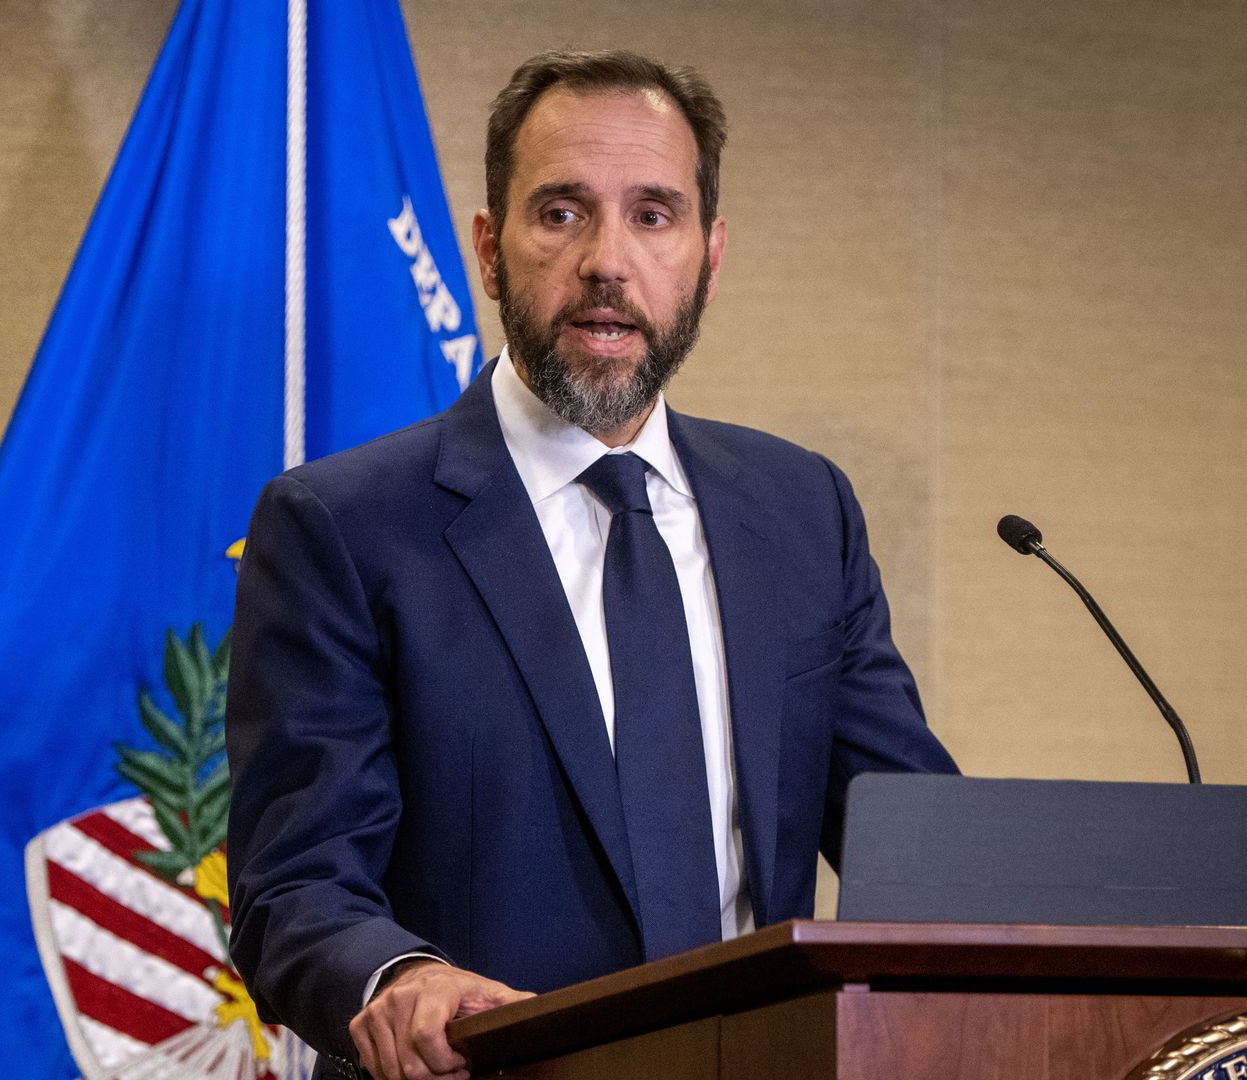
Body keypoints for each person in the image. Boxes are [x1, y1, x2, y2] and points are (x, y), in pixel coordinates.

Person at [224, 49, 957, 1080]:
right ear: (489, 249)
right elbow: (291, 884)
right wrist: (396, 978)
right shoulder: (342, 526)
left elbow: (918, 846)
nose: (609, 260)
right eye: (562, 212)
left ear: (709, 254)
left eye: (654, 215)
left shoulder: (802, 513)